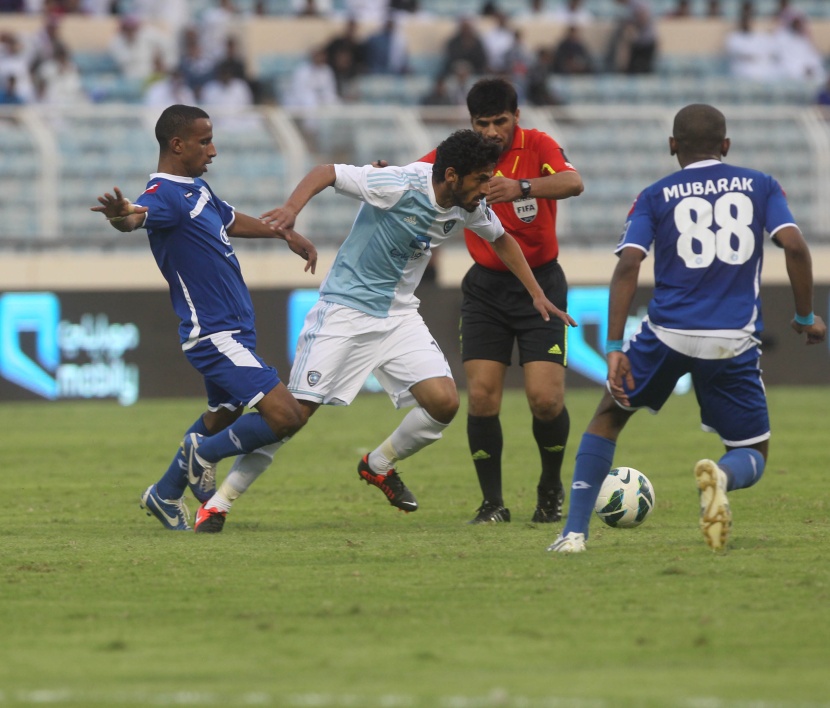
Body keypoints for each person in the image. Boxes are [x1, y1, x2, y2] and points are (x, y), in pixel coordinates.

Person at [190, 129, 577, 533]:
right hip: (344, 310)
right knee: (292, 416)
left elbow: (502, 239)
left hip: (398, 316)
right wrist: (291, 210)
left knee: (444, 402)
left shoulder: (468, 204)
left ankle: (378, 464)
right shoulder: (398, 183)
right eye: (481, 179)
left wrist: (536, 294)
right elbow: (326, 171)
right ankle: (218, 502)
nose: (488, 188)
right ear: (450, 175)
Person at [548, 103, 826, 554]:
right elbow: (794, 246)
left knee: (608, 417)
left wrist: (615, 345)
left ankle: (573, 535)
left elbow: (629, 265)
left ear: (672, 145)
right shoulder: (762, 185)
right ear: (727, 145)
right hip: (731, 338)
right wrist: (803, 317)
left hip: (666, 333)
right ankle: (722, 476)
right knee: (752, 452)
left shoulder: (655, 194)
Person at [90, 104, 318, 532]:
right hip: (215, 335)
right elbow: (137, 216)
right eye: (205, 141)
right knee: (287, 416)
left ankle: (164, 493)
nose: (213, 150)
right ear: (177, 145)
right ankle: (205, 454)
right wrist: (122, 216)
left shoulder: (199, 191)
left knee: (223, 413)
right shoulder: (164, 195)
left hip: (234, 331)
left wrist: (283, 232)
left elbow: (231, 221)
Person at [417, 78, 583, 524]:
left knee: (545, 400)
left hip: (541, 285)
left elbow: (573, 182)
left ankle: (550, 488)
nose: (491, 132)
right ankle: (493, 504)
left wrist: (522, 188)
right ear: (470, 122)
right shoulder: (464, 151)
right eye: (481, 122)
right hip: (486, 288)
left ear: (517, 118)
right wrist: (380, 172)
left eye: (500, 121)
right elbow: (416, 175)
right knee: (483, 398)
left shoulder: (539, 145)